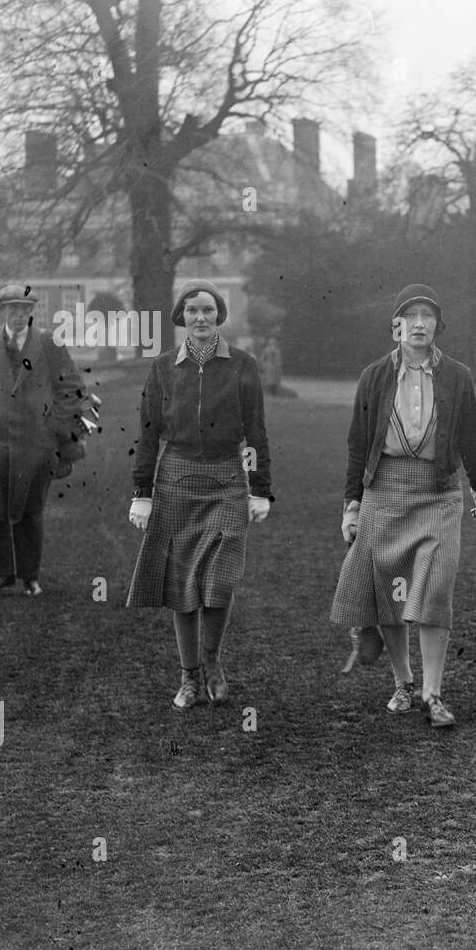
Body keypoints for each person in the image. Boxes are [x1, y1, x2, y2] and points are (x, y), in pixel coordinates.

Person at [330, 285, 476, 729]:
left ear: (438, 325)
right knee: (392, 590)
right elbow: (358, 445)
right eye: (410, 315)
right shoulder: (375, 376)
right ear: (396, 325)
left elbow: (471, 437)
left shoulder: (457, 375)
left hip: (439, 491)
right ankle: (403, 682)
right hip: (384, 490)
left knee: (435, 588)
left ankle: (432, 692)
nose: (419, 323)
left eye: (427, 315)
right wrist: (352, 507)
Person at [127, 279, 272, 710]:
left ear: (219, 315)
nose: (201, 318)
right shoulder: (163, 368)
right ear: (181, 319)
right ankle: (189, 676)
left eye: (208, 310)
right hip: (176, 479)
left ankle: (212, 660)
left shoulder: (243, 365)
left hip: (228, 478)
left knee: (220, 577)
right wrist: (142, 492)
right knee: (182, 584)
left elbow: (256, 431)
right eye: (192, 311)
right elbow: (148, 434)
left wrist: (260, 490)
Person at [0, 284, 84, 598]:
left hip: (38, 442)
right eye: (11, 308)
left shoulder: (48, 343)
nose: (18, 314)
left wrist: (52, 426)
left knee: (31, 510)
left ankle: (30, 577)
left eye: (24, 309)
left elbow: (72, 388)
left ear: (31, 311)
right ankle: (1, 575)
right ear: (2, 310)